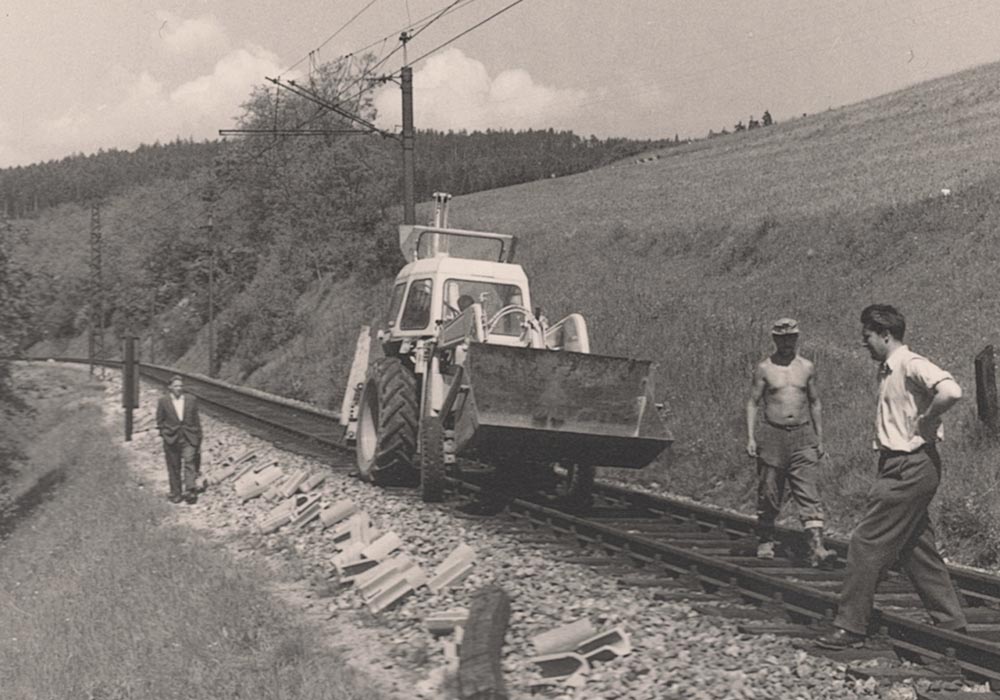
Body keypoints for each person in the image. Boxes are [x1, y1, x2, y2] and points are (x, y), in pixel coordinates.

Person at [817, 305, 967, 649]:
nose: (864, 343)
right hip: (901, 465)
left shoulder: (909, 364)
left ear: (885, 334)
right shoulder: (887, 370)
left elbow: (952, 391)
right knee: (915, 547)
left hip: (909, 466)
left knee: (866, 542)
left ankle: (851, 626)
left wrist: (929, 419)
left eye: (867, 337)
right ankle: (952, 624)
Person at [746, 317, 835, 566]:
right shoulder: (765, 368)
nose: (787, 342)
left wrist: (819, 438)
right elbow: (753, 402)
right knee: (770, 491)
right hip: (773, 435)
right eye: (782, 338)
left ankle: (817, 547)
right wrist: (751, 437)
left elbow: (815, 402)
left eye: (791, 338)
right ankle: (765, 537)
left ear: (797, 338)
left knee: (808, 492)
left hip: (802, 435)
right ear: (775, 339)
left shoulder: (807, 367)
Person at [155, 375, 203, 504]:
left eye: (181, 386)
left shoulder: (191, 400)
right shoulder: (163, 401)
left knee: (189, 461)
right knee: (174, 466)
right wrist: (164, 434)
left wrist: (198, 437)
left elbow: (196, 420)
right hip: (172, 438)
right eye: (176, 386)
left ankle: (190, 490)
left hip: (189, 436)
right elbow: (160, 421)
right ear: (170, 387)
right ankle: (176, 493)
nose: (179, 388)